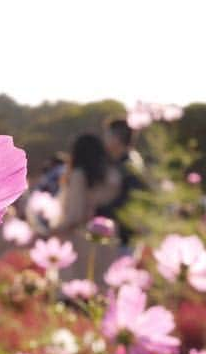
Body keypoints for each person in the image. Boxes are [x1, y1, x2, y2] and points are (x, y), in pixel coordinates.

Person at [52, 134, 122, 281]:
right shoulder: (111, 175)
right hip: (108, 238)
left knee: (79, 289)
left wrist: (54, 229)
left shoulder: (78, 175)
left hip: (81, 240)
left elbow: (75, 214)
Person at [97, 118, 146, 251]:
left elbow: (125, 205)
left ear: (116, 139)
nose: (104, 140)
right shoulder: (128, 162)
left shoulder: (129, 167)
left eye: (107, 135)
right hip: (119, 237)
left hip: (122, 240)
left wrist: (96, 210)